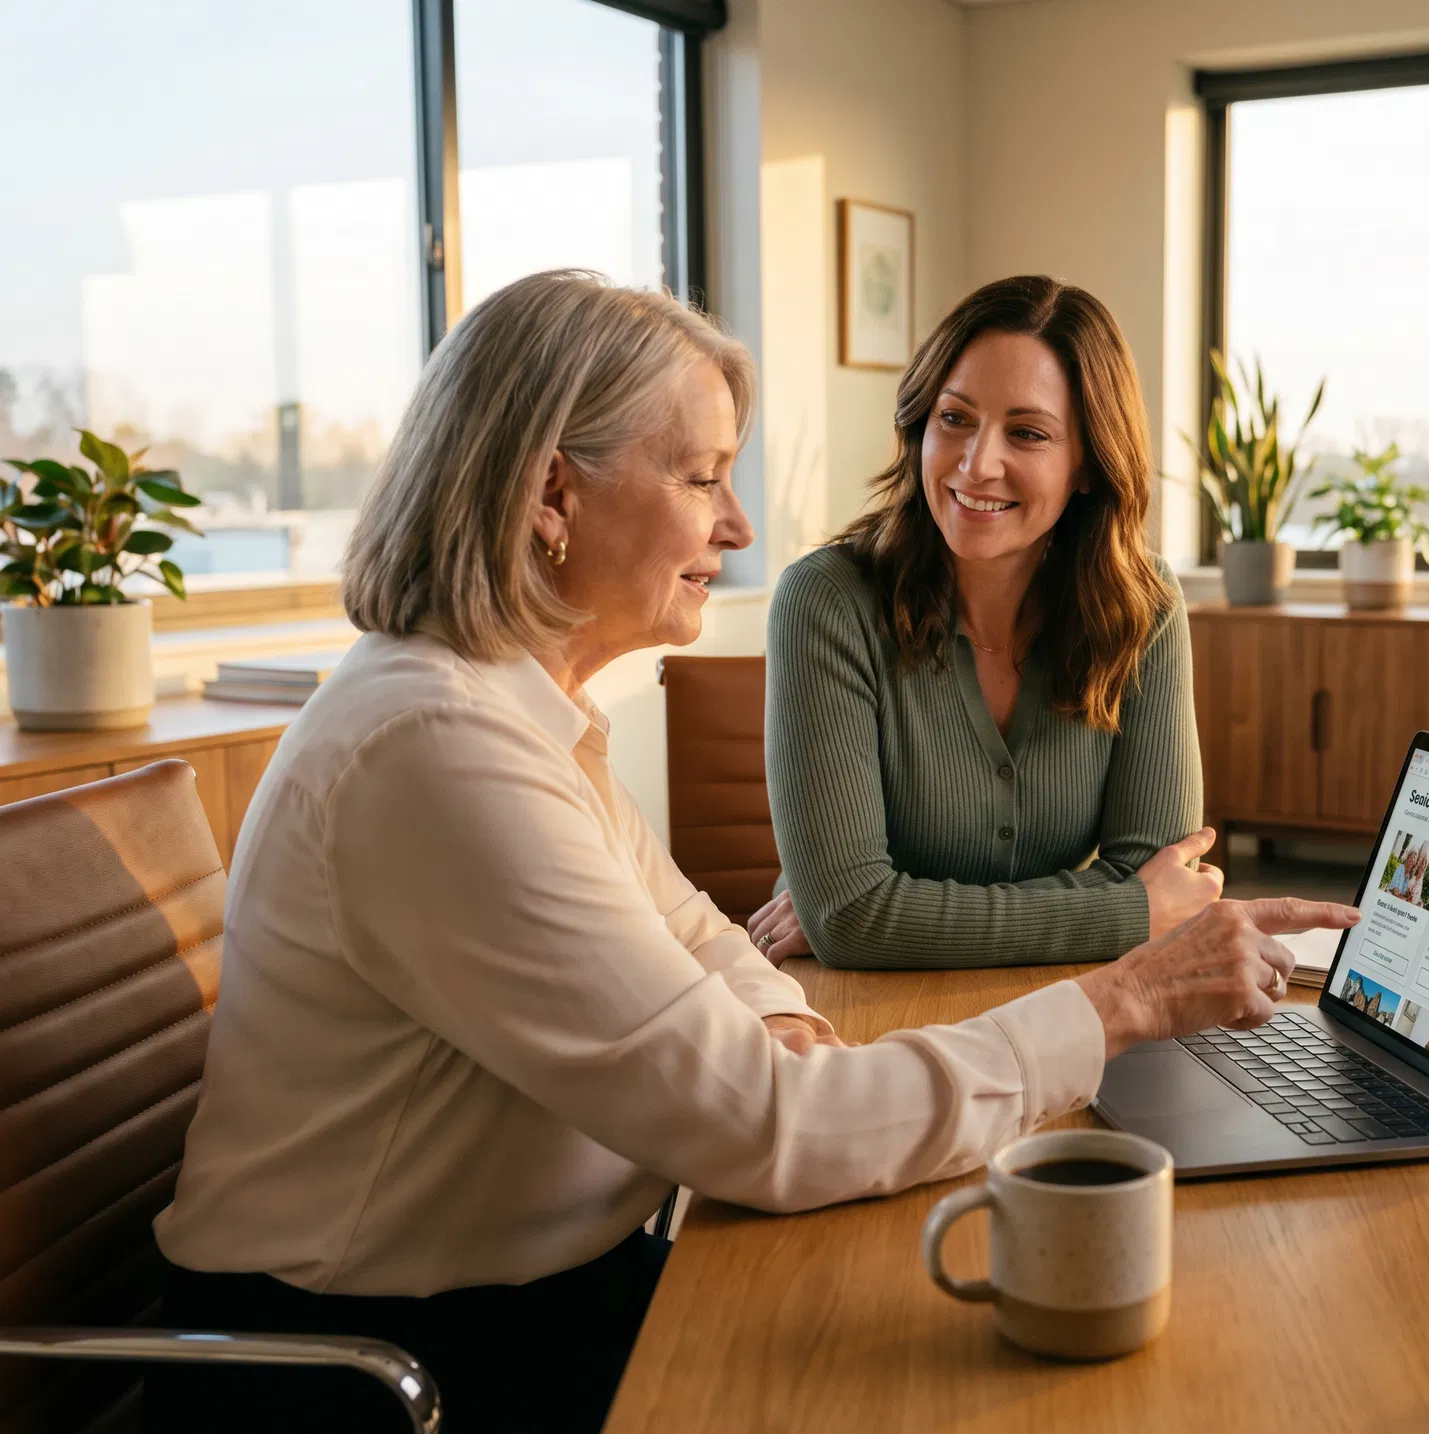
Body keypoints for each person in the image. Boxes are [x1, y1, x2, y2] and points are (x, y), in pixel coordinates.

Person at [145, 271, 1360, 1434]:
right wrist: (1119, 997)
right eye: (701, 477)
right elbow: (778, 1116)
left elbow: (709, 945)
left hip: (512, 1301)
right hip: (372, 1373)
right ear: (551, 497)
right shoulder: (438, 753)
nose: (736, 523)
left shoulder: (511, 713)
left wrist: (782, 1038)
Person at [746, 275, 1217, 969]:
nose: (976, 463)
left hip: (1063, 1005)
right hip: (866, 1019)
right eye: (955, 418)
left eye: (1026, 433)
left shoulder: (1143, 607)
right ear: (920, 423)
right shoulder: (826, 602)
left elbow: (1162, 873)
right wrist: (1123, 911)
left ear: (1088, 462)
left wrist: (895, 915)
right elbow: (849, 916)